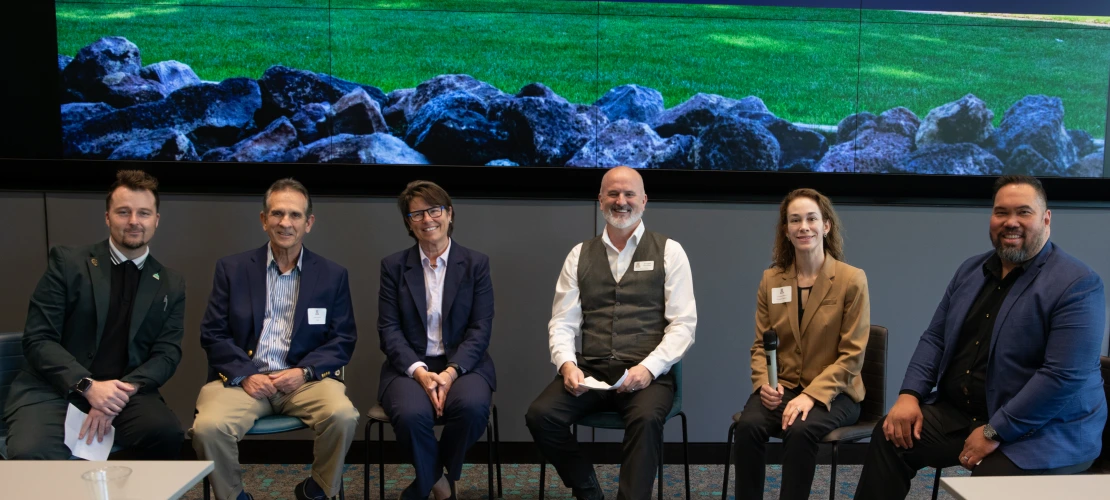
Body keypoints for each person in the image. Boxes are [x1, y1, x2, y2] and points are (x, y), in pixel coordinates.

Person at [854, 175, 1107, 499]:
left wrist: (994, 430)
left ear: (1046, 219)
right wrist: (909, 395)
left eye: (1024, 212)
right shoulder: (970, 271)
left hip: (1047, 429)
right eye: (1001, 212)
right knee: (891, 435)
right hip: (968, 413)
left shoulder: (1078, 284)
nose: (1010, 222)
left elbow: (1061, 378)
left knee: (989, 483)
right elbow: (935, 338)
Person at [525, 166, 697, 500]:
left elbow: (684, 325)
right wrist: (567, 365)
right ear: (600, 199)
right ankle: (588, 490)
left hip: (648, 374)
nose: (621, 201)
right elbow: (562, 322)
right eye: (613, 194)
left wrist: (649, 368)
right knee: (540, 416)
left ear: (644, 201)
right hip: (591, 370)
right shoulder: (579, 255)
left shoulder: (669, 251)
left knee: (647, 420)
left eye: (629, 194)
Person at [192, 178, 360, 500]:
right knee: (208, 428)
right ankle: (235, 497)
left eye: (295, 215)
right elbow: (212, 333)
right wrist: (246, 374)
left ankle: (316, 491)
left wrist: (304, 372)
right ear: (263, 219)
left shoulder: (332, 275)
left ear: (308, 223)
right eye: (277, 214)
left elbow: (342, 339)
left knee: (343, 415)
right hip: (243, 381)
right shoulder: (232, 269)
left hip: (304, 381)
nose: (286, 223)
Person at [4, 169, 186, 459]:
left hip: (124, 392)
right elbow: (39, 339)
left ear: (156, 220)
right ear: (107, 217)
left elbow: (167, 354)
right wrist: (88, 386)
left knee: (165, 434)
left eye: (143, 213)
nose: (134, 222)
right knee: (32, 453)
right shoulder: (68, 263)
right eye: (123, 212)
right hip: (55, 389)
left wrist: (116, 394)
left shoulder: (170, 282)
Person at [733, 189, 870, 499]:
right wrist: (764, 385)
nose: (803, 226)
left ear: (826, 226)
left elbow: (853, 355)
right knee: (748, 427)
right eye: (795, 220)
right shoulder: (772, 280)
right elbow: (760, 345)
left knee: (800, 430)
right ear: (786, 230)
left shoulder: (851, 279)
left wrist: (811, 396)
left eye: (811, 219)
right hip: (783, 388)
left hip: (836, 394)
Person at [377, 180, 496, 500]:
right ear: (408, 223)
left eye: (434, 210)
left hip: (463, 365)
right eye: (417, 214)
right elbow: (388, 329)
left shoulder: (475, 264)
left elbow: (480, 328)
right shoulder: (393, 267)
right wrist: (418, 371)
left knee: (472, 408)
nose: (427, 219)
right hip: (410, 365)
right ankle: (441, 484)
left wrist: (450, 372)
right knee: (410, 413)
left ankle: (425, 480)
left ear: (449, 213)